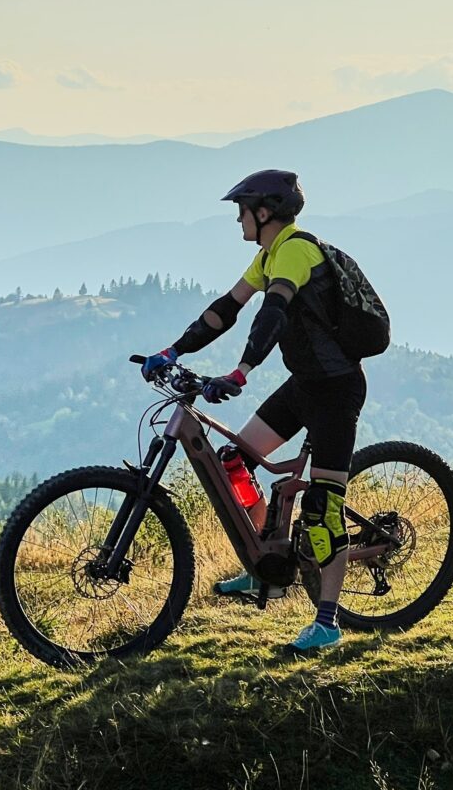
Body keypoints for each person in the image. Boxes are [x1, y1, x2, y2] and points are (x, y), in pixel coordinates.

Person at [140, 168, 367, 654]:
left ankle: (327, 622)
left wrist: (242, 371)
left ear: (264, 212)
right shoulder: (268, 255)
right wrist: (173, 351)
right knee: (235, 459)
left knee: (324, 510)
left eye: (241, 210)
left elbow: (274, 312)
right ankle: (264, 565)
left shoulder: (296, 250)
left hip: (336, 390)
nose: (237, 219)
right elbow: (227, 309)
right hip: (304, 386)